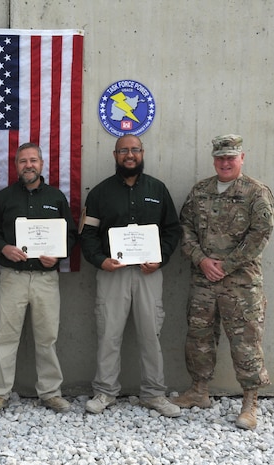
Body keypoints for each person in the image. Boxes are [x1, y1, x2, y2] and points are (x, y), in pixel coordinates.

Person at [171, 134, 274, 430]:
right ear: (214, 159)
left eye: (231, 157)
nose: (225, 162)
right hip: (204, 279)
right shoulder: (200, 191)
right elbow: (185, 228)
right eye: (220, 158)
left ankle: (250, 402)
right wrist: (201, 259)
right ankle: (199, 391)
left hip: (241, 284)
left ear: (242, 158)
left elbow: (260, 235)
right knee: (199, 337)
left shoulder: (256, 192)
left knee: (246, 341)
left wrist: (226, 265)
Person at [80, 134, 182, 417]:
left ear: (142, 153)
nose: (129, 155)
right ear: (115, 155)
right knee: (109, 333)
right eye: (123, 150)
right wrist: (101, 261)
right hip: (113, 273)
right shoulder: (99, 193)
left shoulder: (158, 190)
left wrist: (159, 257)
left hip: (150, 274)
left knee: (151, 334)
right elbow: (87, 234)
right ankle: (104, 392)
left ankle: (154, 393)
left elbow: (173, 230)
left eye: (134, 150)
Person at [0, 143, 77, 416]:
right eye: (22, 161)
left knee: (47, 338)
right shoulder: (3, 198)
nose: (28, 165)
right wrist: (4, 248)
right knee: (5, 337)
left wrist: (59, 256)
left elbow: (70, 234)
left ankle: (50, 393)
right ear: (16, 166)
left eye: (33, 160)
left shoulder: (57, 197)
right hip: (13, 277)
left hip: (46, 278)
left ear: (42, 164)